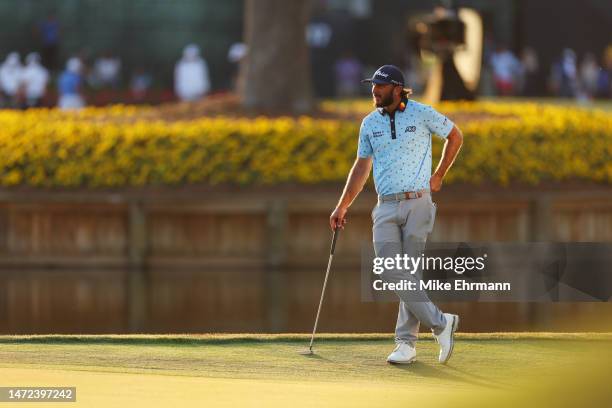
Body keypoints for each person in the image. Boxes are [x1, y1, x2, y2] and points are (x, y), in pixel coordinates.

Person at [329, 65, 463, 365]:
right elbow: (362, 167)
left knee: (408, 275)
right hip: (385, 205)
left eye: (380, 85)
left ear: (397, 88)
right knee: (391, 270)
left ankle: (405, 344)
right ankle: (442, 323)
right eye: (372, 85)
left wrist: (439, 174)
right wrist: (343, 205)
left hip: (419, 202)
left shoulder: (422, 113)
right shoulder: (368, 124)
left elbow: (455, 136)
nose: (374, 90)